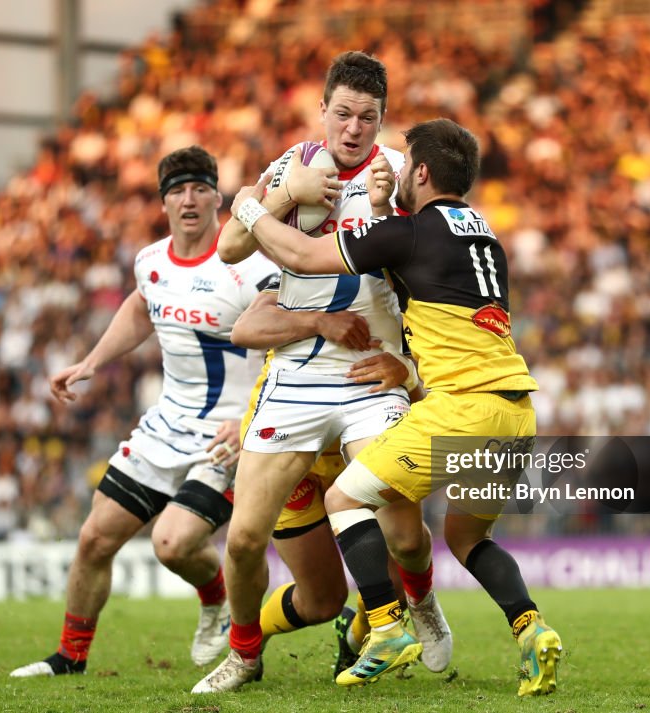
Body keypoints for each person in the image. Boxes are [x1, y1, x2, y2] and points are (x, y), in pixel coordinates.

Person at [227, 118, 563, 696]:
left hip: (461, 410)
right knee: (469, 541)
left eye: (406, 166)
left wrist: (251, 210)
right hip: (517, 411)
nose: (397, 172)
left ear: (424, 173)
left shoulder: (409, 233)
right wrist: (406, 367)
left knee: (343, 498)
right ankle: (532, 630)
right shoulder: (486, 237)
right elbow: (447, 316)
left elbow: (306, 258)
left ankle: (384, 629)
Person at [193, 52, 451, 694]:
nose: (354, 127)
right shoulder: (292, 165)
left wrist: (395, 214)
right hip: (298, 378)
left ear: (382, 119)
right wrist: (284, 195)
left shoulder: (400, 175)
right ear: (323, 111)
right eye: (343, 113)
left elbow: (431, 268)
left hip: (371, 377)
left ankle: (418, 601)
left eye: (368, 116)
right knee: (246, 538)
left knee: (405, 533)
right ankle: (245, 653)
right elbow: (227, 248)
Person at [10, 146, 279, 677]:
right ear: (163, 203)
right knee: (94, 538)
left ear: (217, 197)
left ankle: (215, 597)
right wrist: (91, 361)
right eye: (177, 190)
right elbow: (141, 306)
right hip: (165, 426)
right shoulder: (151, 263)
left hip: (229, 435)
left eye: (200, 188)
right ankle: (70, 658)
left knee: (172, 544)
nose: (189, 199)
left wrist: (251, 415)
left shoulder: (251, 266)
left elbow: (286, 340)